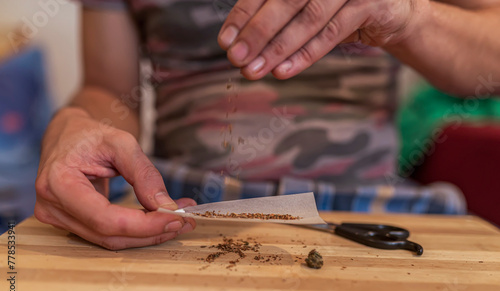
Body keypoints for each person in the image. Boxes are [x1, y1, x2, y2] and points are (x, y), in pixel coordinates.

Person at [34, 0, 500, 250]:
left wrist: (407, 18)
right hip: (185, 206)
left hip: (369, 208)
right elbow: (109, 91)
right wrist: (72, 124)